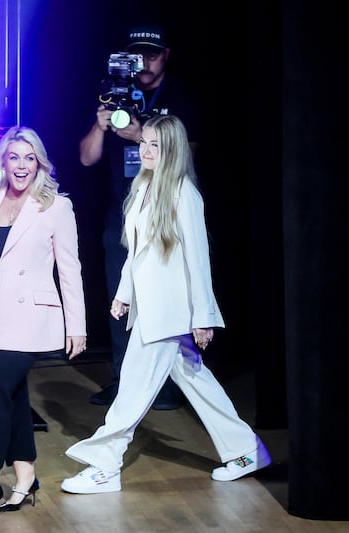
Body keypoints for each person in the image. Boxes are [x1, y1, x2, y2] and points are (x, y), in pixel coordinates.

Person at [61, 114, 270, 494]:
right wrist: (124, 294)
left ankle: (105, 464)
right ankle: (245, 450)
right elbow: (137, 253)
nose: (145, 150)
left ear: (171, 149)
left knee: (134, 388)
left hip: (169, 312)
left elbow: (198, 259)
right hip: (150, 308)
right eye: (144, 142)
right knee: (196, 380)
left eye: (155, 145)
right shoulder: (142, 188)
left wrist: (203, 316)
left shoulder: (183, 194)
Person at [0, 126, 87, 520]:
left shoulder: (55, 206)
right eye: (14, 157)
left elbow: (69, 269)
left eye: (29, 158)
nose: (21, 166)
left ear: (39, 162)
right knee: (12, 396)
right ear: (3, 161)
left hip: (30, 319)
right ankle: (26, 475)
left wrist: (78, 326)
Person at [81, 23, 199, 409]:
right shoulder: (117, 95)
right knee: (120, 299)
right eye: (137, 54)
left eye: (152, 53)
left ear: (166, 55)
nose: (145, 61)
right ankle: (124, 380)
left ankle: (168, 385)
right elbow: (86, 157)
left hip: (166, 214)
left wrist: (138, 134)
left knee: (165, 300)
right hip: (123, 214)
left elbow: (191, 154)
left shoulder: (180, 96)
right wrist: (103, 126)